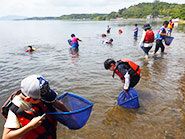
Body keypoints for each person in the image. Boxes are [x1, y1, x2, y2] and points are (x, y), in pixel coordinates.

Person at [2, 74, 69, 139]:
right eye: (42, 99)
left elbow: (54, 102)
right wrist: (31, 126)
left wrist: (69, 114)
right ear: (28, 99)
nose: (45, 100)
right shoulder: (16, 108)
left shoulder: (37, 93)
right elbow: (6, 137)